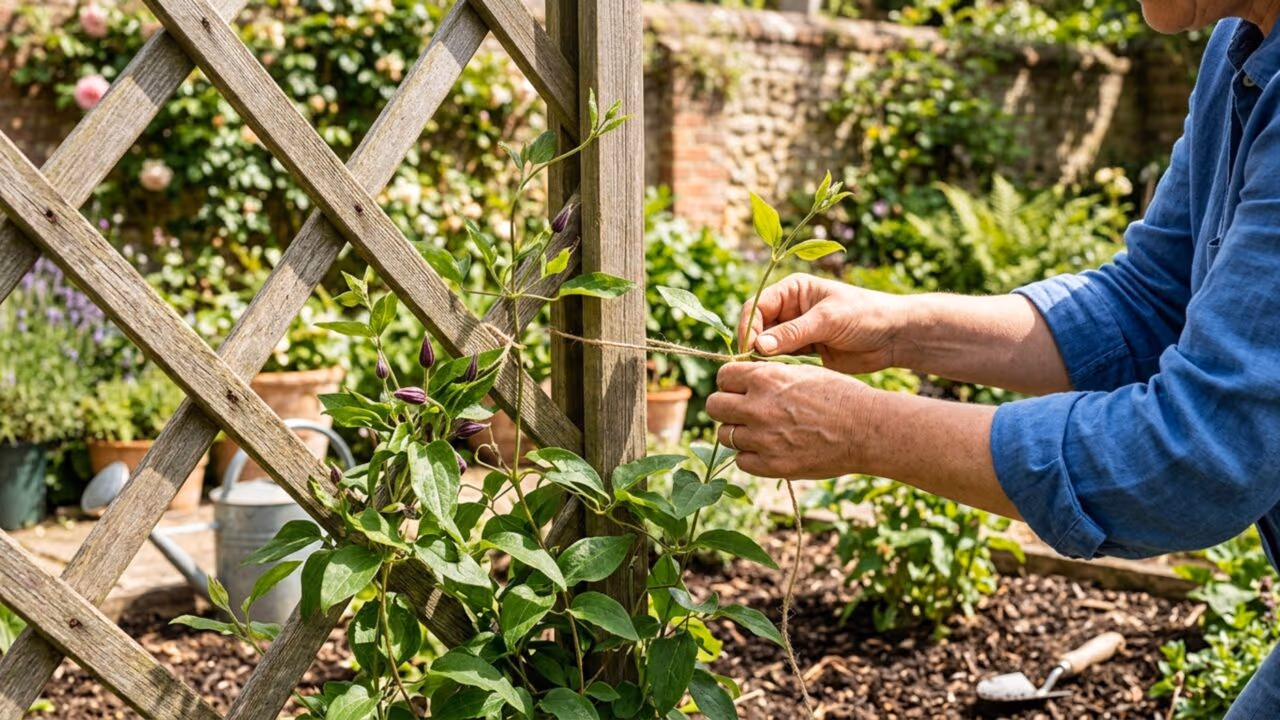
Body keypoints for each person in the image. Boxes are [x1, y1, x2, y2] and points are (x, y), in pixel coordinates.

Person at [705, 1, 1280, 715]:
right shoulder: (1240, 45)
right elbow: (1150, 305)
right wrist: (895, 326)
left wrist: (863, 429)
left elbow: (1201, 454)